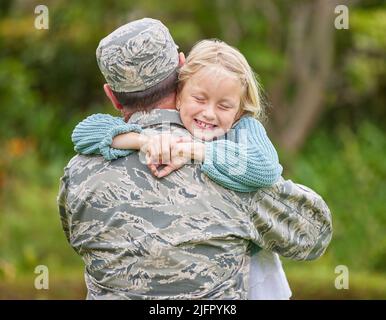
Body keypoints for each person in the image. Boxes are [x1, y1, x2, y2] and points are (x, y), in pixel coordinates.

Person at [58, 18, 332, 300]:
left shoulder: (79, 173)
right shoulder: (232, 170)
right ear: (181, 69)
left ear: (112, 96)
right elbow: (313, 235)